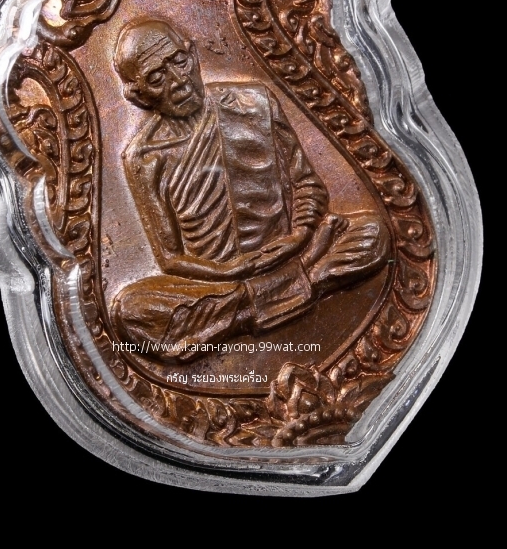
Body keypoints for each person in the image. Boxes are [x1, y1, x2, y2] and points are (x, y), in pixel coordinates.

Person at [110, 19, 390, 363]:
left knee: (373, 233)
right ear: (138, 95)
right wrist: (229, 271)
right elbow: (169, 258)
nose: (178, 81)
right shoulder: (143, 156)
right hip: (223, 282)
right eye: (156, 78)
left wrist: (299, 236)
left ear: (193, 55)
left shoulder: (253, 101)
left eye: (179, 62)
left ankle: (245, 310)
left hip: (292, 252)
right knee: (132, 311)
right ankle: (298, 286)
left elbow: (307, 184)